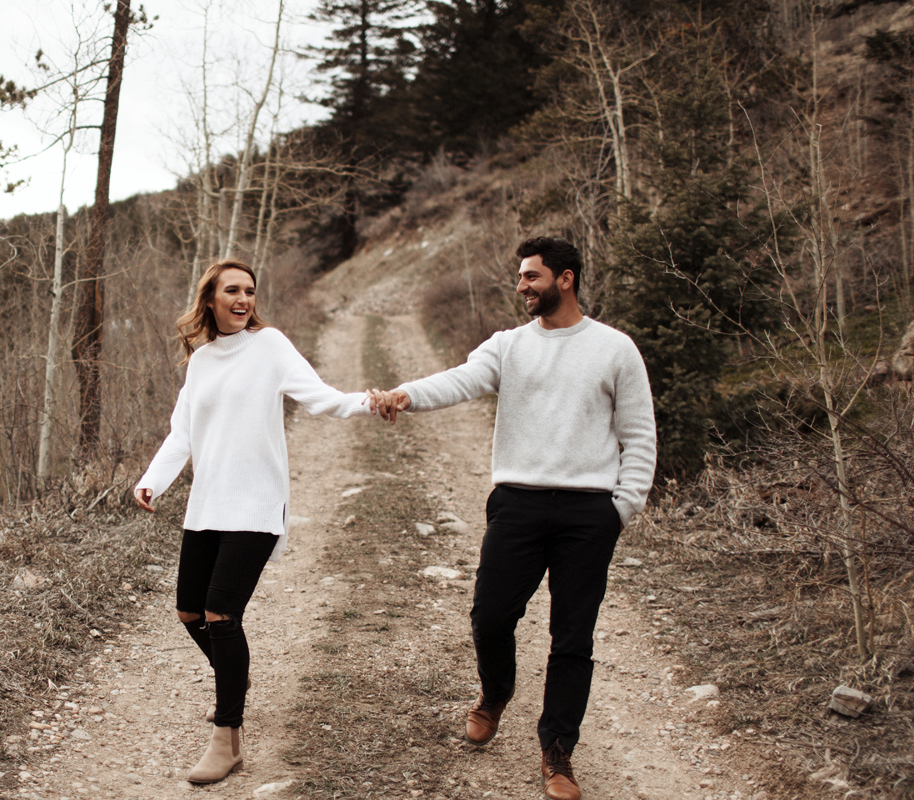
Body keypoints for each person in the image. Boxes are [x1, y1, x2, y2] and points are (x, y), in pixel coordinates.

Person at [372, 237, 656, 800]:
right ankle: (495, 693)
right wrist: (406, 394)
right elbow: (459, 379)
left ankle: (557, 749)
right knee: (490, 616)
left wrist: (620, 509)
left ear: (565, 279)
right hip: (518, 504)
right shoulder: (508, 346)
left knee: (572, 637)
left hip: (587, 514)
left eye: (531, 276)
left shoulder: (615, 349)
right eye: (521, 277)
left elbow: (639, 435)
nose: (521, 286)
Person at [133, 259, 378, 785]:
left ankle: (228, 738)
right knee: (188, 612)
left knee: (222, 614)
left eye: (249, 291)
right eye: (232, 291)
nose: (243, 299)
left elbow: (322, 398)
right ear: (211, 300)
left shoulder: (269, 346)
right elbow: (182, 434)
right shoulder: (201, 361)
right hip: (208, 504)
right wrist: (153, 479)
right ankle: (234, 677)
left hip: (256, 504)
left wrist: (369, 402)